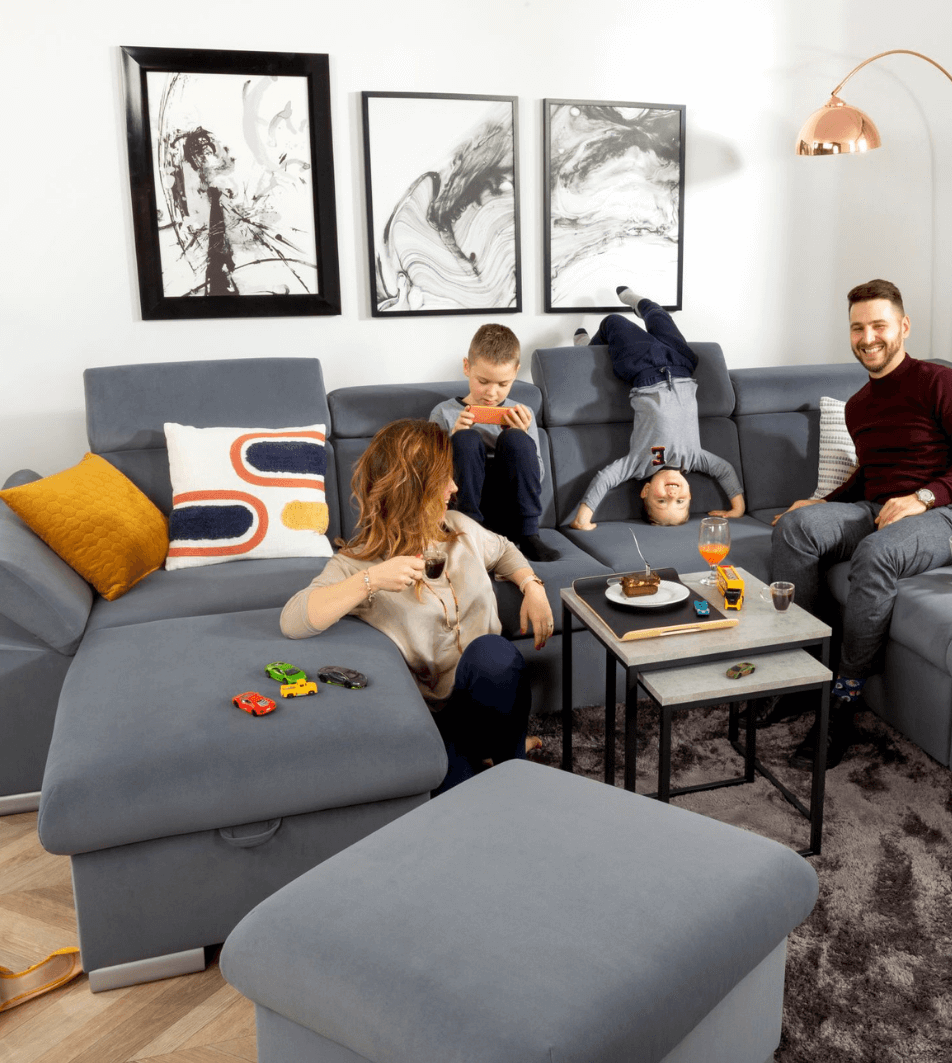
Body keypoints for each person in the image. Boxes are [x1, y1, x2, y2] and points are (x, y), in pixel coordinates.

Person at [770, 279, 952, 767]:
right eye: (858, 328)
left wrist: (923, 497)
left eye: (879, 325)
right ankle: (801, 676)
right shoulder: (859, 405)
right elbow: (869, 475)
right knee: (794, 528)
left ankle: (844, 701)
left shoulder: (940, 382)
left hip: (946, 513)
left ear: (904, 326)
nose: (868, 337)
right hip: (878, 508)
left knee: (876, 552)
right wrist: (817, 504)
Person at [280, 418, 555, 792]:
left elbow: (504, 549)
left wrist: (532, 586)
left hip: (492, 692)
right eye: (444, 479)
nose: (454, 488)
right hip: (439, 718)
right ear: (414, 489)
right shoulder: (359, 562)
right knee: (459, 798)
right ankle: (484, 755)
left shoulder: (458, 528)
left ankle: (509, 755)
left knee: (492, 653)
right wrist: (371, 580)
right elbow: (293, 620)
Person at [567, 287, 745, 529]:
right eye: (680, 501)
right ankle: (638, 302)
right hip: (682, 365)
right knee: (659, 315)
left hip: (644, 368)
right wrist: (737, 507)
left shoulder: (639, 464)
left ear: (646, 491)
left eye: (661, 501)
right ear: (689, 493)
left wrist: (582, 518)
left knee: (613, 322)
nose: (672, 495)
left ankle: (585, 350)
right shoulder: (695, 458)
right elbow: (724, 470)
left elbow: (606, 478)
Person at [429, 324, 559, 562]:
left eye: (502, 384)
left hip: (511, 514)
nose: (491, 393)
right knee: (465, 439)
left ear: (516, 373)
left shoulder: (523, 413)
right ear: (467, 367)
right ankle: (469, 535)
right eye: (483, 381)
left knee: (516, 439)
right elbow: (432, 480)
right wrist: (452, 440)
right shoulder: (443, 413)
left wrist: (524, 438)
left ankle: (528, 534)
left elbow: (538, 476)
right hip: (464, 514)